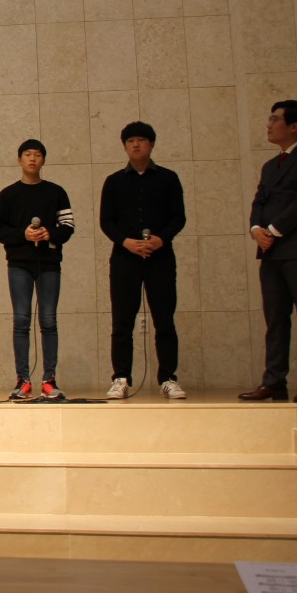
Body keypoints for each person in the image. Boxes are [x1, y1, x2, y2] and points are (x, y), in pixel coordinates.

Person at [239, 100, 297, 404]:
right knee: (275, 319)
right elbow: (259, 201)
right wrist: (256, 229)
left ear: (294, 126)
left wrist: (273, 230)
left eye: (274, 119)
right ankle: (274, 381)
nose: (268, 124)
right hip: (271, 252)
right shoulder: (270, 166)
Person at [99, 123, 187, 400]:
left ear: (152, 144)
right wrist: (126, 242)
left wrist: (161, 239)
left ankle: (168, 378)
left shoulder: (168, 178)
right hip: (125, 258)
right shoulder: (114, 181)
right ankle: (121, 377)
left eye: (141, 140)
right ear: (125, 146)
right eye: (130, 141)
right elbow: (106, 221)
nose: (136, 145)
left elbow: (178, 217)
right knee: (122, 321)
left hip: (160, 257)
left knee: (164, 319)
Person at [0, 139, 75, 401]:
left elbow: (68, 226)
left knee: (48, 321)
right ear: (19, 160)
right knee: (21, 321)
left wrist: (50, 234)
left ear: (43, 160)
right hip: (19, 264)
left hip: (49, 264)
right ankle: (22, 380)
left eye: (37, 155)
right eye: (27, 154)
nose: (32, 159)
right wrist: (23, 235)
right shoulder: (8, 194)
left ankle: (49, 380)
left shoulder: (56, 192)